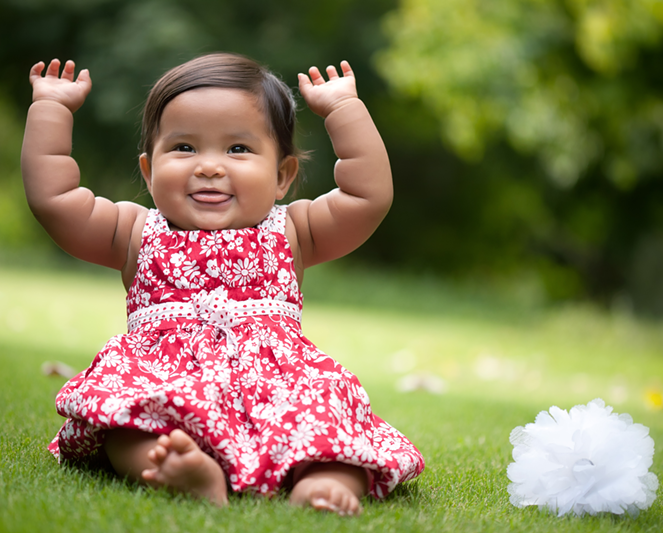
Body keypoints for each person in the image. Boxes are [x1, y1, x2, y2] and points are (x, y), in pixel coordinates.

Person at [22, 53, 424, 516]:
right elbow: (54, 200)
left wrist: (343, 109)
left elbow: (366, 196)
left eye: (237, 149)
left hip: (279, 388)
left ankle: (323, 479)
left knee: (328, 411)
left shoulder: (293, 230)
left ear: (282, 176)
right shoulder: (134, 231)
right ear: (150, 172)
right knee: (123, 419)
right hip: (168, 383)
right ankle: (182, 469)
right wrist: (50, 108)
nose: (209, 166)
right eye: (185, 148)